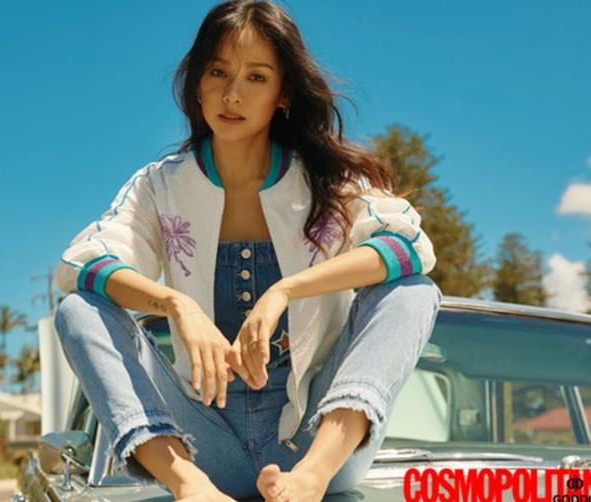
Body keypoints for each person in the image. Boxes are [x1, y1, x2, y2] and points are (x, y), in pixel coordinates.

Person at [54, 1, 442, 500]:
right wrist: (177, 304)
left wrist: (285, 290)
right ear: (197, 82)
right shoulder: (161, 186)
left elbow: (408, 246)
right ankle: (189, 486)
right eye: (218, 72)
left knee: (412, 291)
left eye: (256, 77)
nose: (232, 94)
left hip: (313, 439)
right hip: (201, 445)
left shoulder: (329, 180)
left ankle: (309, 479)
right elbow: (82, 262)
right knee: (79, 309)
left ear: (284, 94)